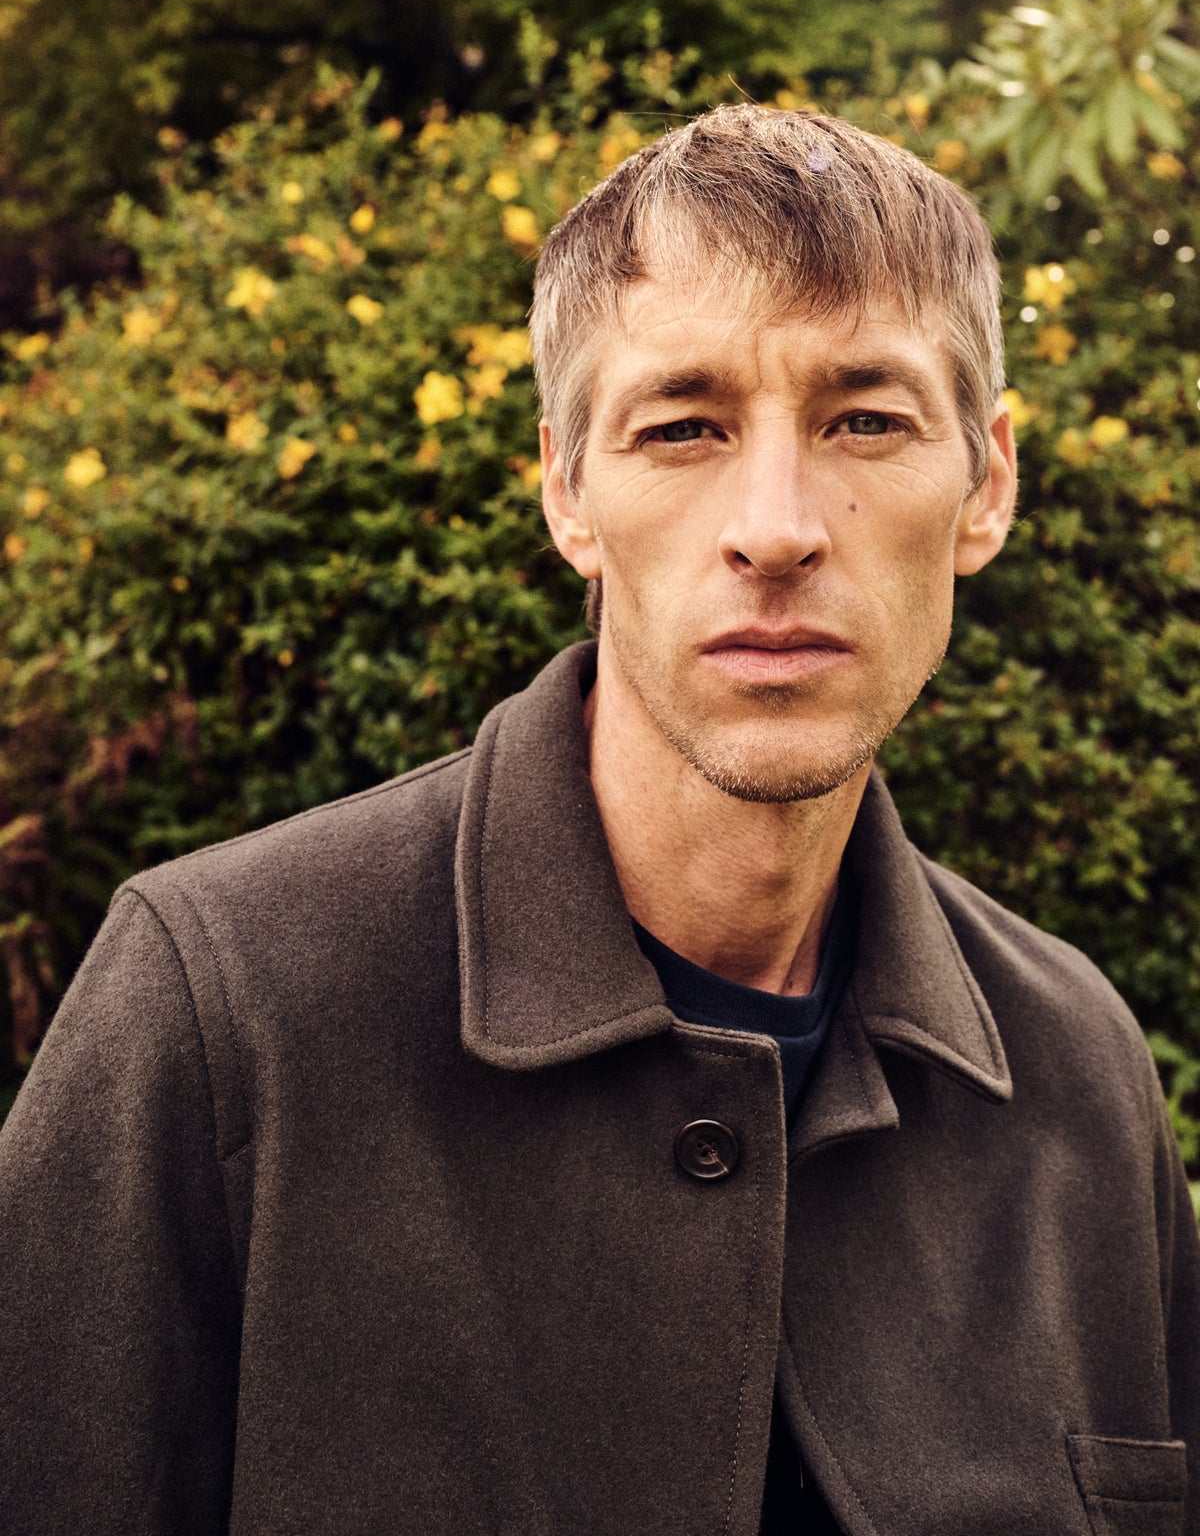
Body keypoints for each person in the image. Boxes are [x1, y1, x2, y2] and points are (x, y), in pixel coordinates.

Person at [0, 104, 1196, 1536]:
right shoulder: (218, 1015)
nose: (776, 528)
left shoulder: (1079, 1075)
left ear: (987, 486)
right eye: (682, 427)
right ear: (569, 491)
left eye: (866, 420)